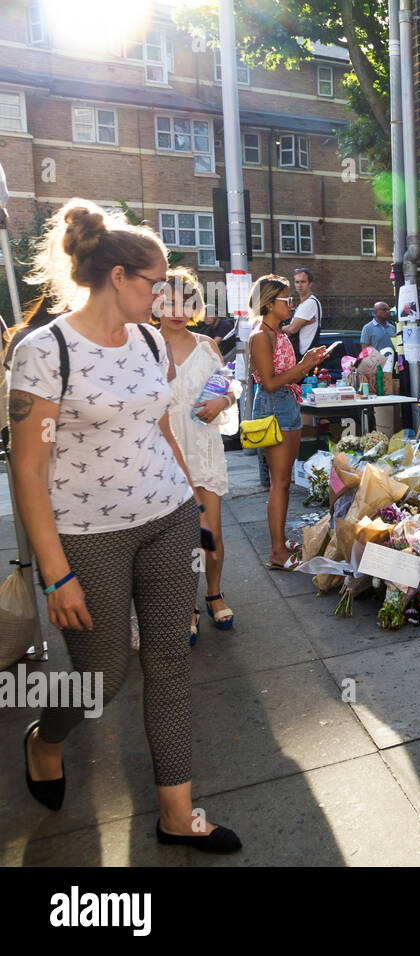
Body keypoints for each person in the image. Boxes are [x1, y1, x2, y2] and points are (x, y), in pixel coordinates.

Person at [10, 199, 240, 852]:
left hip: (166, 518)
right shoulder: (43, 352)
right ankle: (44, 739)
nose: (166, 294)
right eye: (155, 282)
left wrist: (192, 505)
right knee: (101, 679)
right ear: (118, 278)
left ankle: (176, 815)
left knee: (169, 663)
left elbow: (161, 423)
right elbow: (28, 472)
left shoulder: (146, 341)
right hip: (88, 539)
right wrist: (56, 576)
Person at [155, 268, 239, 640]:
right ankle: (184, 605)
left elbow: (229, 385)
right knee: (175, 540)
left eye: (185, 301)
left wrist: (222, 399)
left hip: (203, 448)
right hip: (162, 453)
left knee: (212, 533)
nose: (176, 309)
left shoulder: (207, 345)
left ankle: (213, 593)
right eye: (168, 300)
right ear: (155, 303)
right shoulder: (144, 345)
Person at [248, 275, 328, 571]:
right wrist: (304, 366)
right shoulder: (260, 336)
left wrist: (306, 363)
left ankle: (280, 543)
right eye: (286, 299)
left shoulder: (275, 332)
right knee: (279, 483)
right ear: (269, 304)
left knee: (284, 480)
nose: (291, 304)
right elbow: (268, 383)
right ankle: (277, 552)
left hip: (286, 404)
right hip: (274, 406)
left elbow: (284, 375)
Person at [283, 267, 322, 360]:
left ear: (310, 284)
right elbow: (291, 330)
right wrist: (302, 323)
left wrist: (281, 328)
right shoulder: (303, 304)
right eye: (297, 282)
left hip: (304, 356)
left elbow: (292, 329)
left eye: (303, 282)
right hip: (301, 355)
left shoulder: (310, 303)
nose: (299, 285)